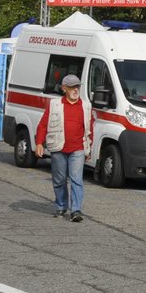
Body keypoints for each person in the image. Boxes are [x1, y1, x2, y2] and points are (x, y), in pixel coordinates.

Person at [33, 74, 94, 222]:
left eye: (77, 86)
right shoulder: (55, 104)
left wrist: (88, 148)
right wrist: (39, 143)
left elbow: (90, 128)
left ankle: (76, 210)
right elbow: (43, 124)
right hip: (58, 147)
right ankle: (61, 206)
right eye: (72, 86)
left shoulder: (86, 106)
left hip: (78, 148)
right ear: (64, 88)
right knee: (59, 179)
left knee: (76, 179)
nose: (75, 90)